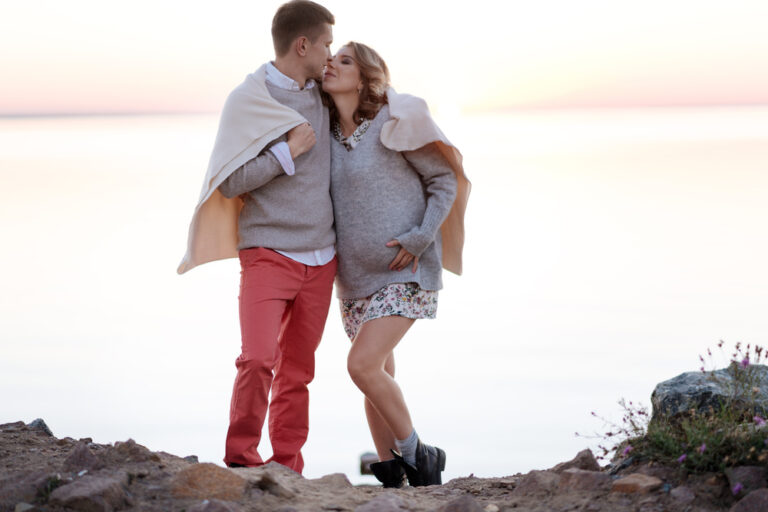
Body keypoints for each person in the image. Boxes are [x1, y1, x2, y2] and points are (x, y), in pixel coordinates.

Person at [177, 0, 336, 474]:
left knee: (297, 373)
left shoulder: (324, 96)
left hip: (322, 257)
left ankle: (287, 466)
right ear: (302, 44)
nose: (331, 54)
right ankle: (242, 461)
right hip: (267, 251)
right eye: (326, 44)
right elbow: (230, 180)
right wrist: (287, 153)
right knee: (258, 360)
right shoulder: (249, 99)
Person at [322, 42, 470, 487]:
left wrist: (422, 236)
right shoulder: (323, 133)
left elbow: (443, 180)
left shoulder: (393, 123)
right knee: (378, 373)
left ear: (365, 78)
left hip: (404, 271)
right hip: (353, 281)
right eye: (332, 58)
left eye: (344, 60)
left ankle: (419, 455)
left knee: (361, 365)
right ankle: (393, 477)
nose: (331, 63)